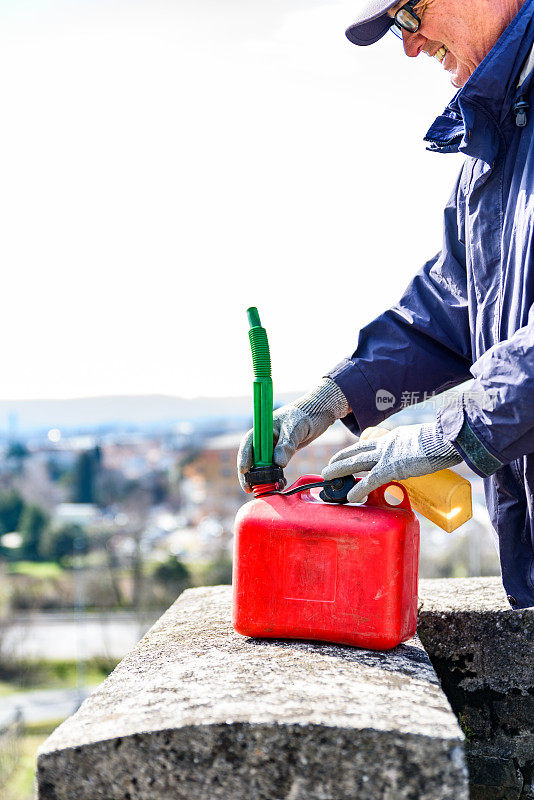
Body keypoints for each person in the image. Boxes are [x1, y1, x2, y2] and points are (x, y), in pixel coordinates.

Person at [238, 0, 534, 610]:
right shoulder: (503, 128)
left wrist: (453, 434)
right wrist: (337, 393)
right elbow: (458, 300)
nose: (410, 46)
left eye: (409, 15)